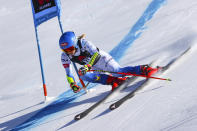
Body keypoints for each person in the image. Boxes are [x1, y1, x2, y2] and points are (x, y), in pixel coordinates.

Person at [59, 31, 159, 93]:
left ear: (75, 43)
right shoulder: (65, 56)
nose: (69, 52)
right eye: (65, 50)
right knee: (83, 75)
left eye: (70, 48)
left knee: (117, 71)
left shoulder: (84, 43)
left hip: (102, 59)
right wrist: (72, 84)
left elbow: (96, 54)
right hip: (93, 67)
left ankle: (144, 69)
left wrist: (88, 66)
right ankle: (114, 81)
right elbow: (68, 74)